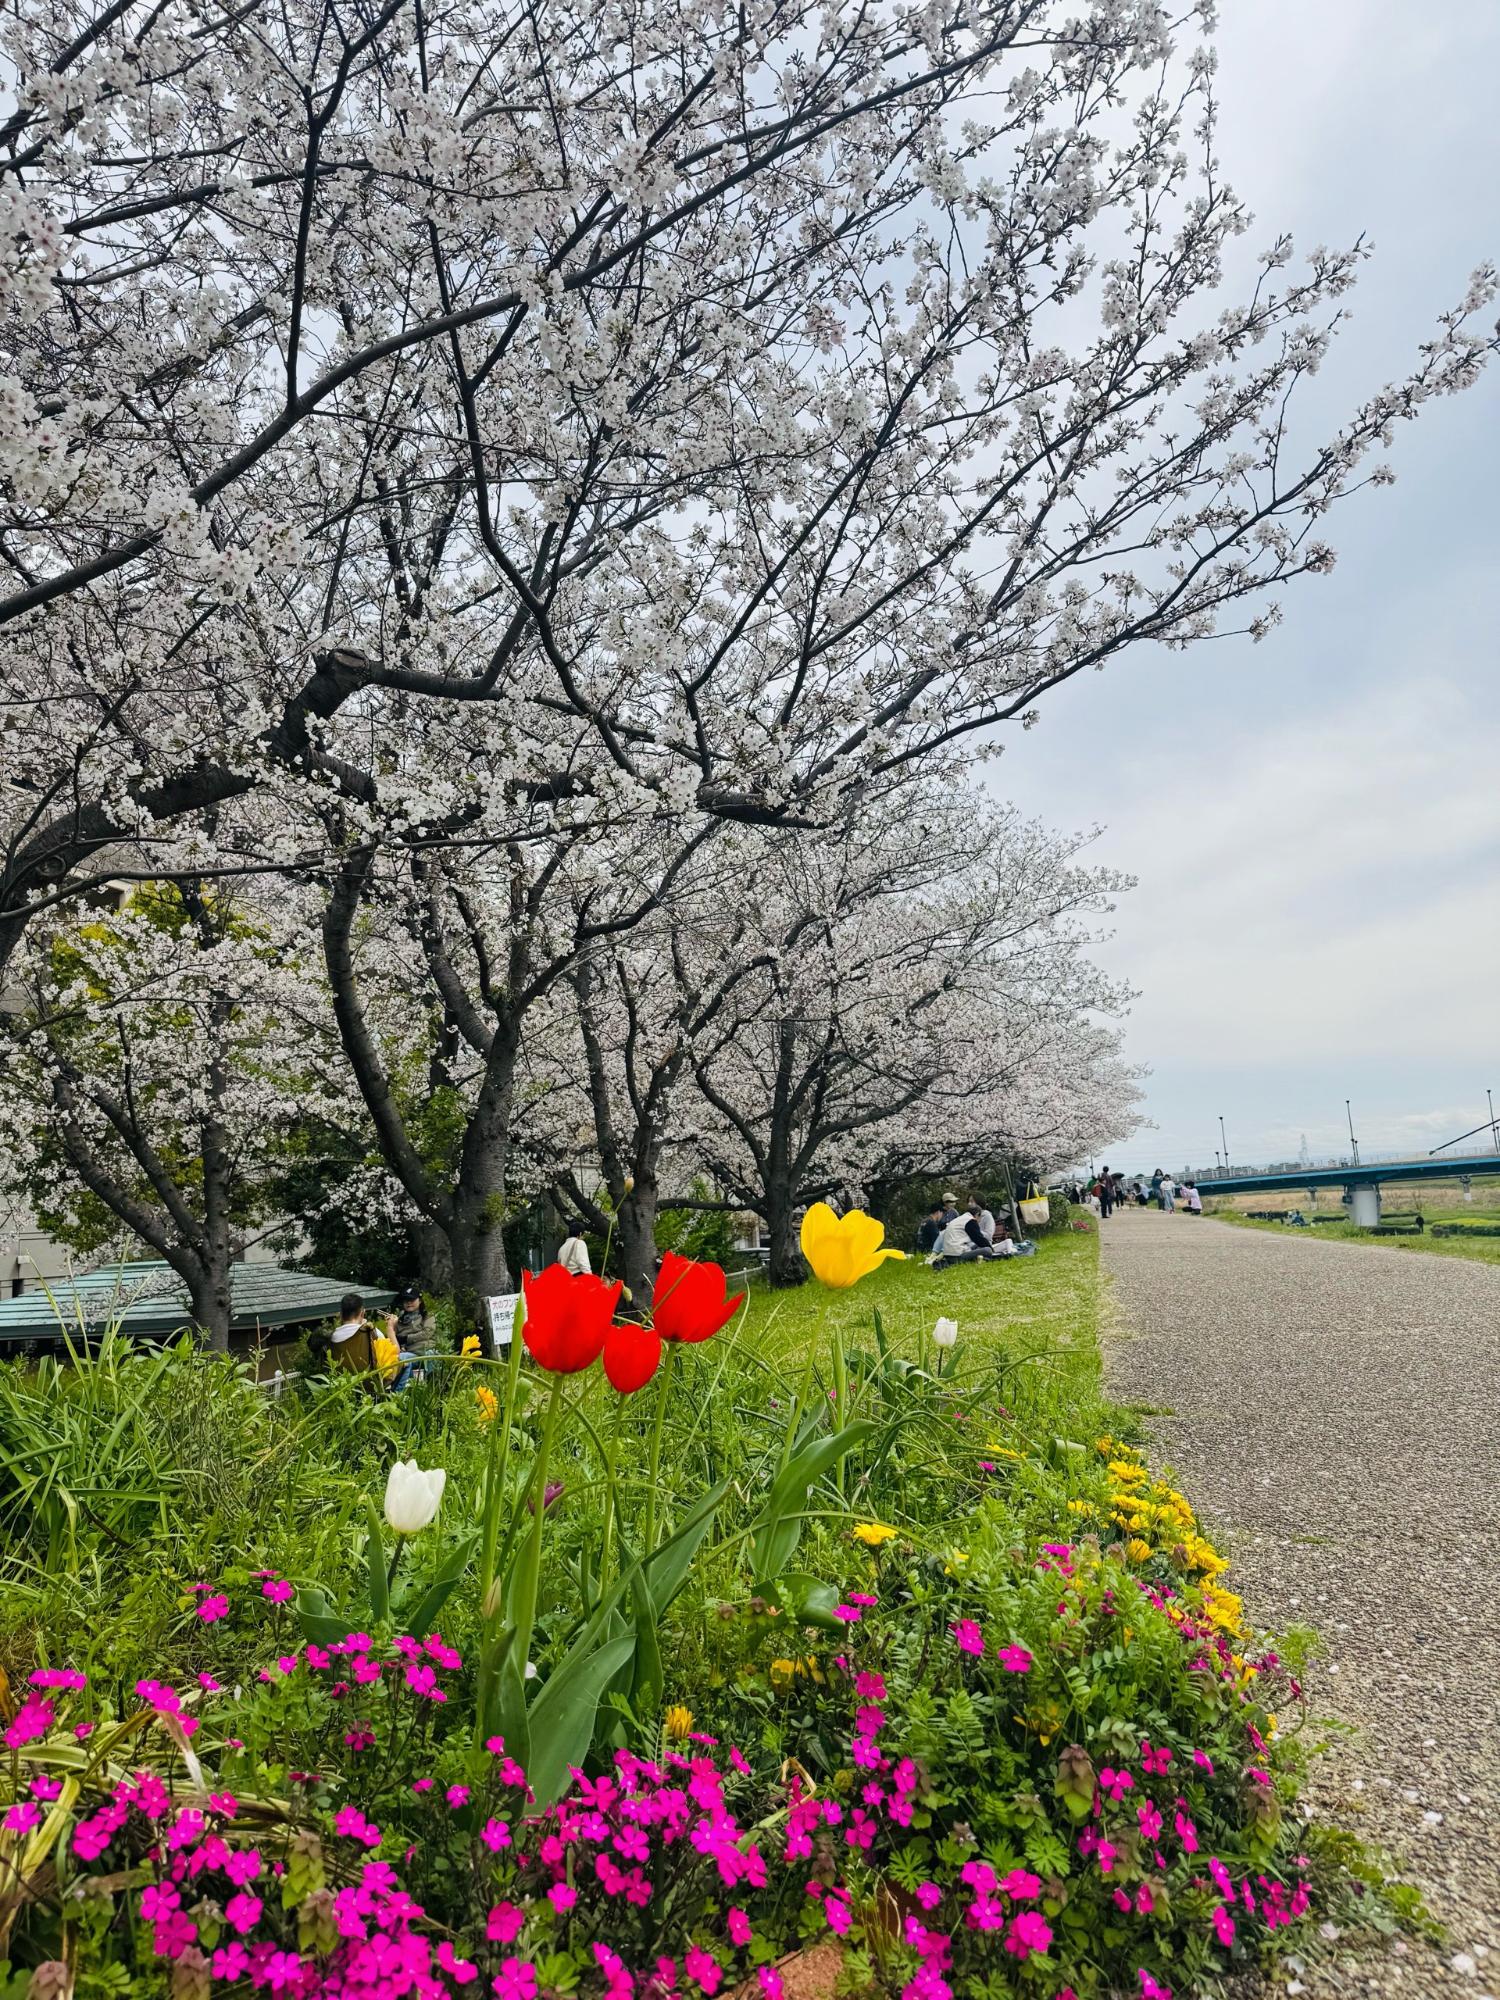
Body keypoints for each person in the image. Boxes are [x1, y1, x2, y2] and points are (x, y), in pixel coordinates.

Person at [331, 1291, 375, 1373]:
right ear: (362, 1313)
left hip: (344, 1382)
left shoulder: (333, 1337)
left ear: (341, 1315)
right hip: (370, 1383)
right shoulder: (370, 1332)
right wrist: (391, 1330)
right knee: (405, 1356)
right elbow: (393, 1355)